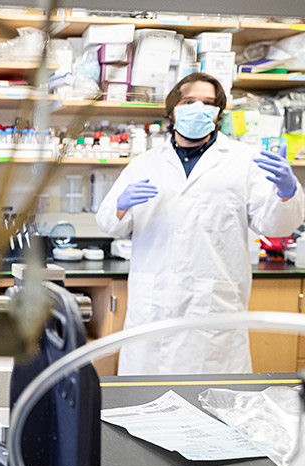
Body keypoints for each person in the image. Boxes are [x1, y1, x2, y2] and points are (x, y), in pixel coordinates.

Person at [96, 72, 305, 375]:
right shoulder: (145, 163)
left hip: (213, 307)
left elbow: (275, 227)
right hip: (154, 305)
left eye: (207, 103)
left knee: (211, 404)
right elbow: (108, 224)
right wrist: (120, 205)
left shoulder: (245, 161)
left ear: (219, 113)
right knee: (143, 403)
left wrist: (286, 193)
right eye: (189, 101)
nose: (198, 108)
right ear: (172, 110)